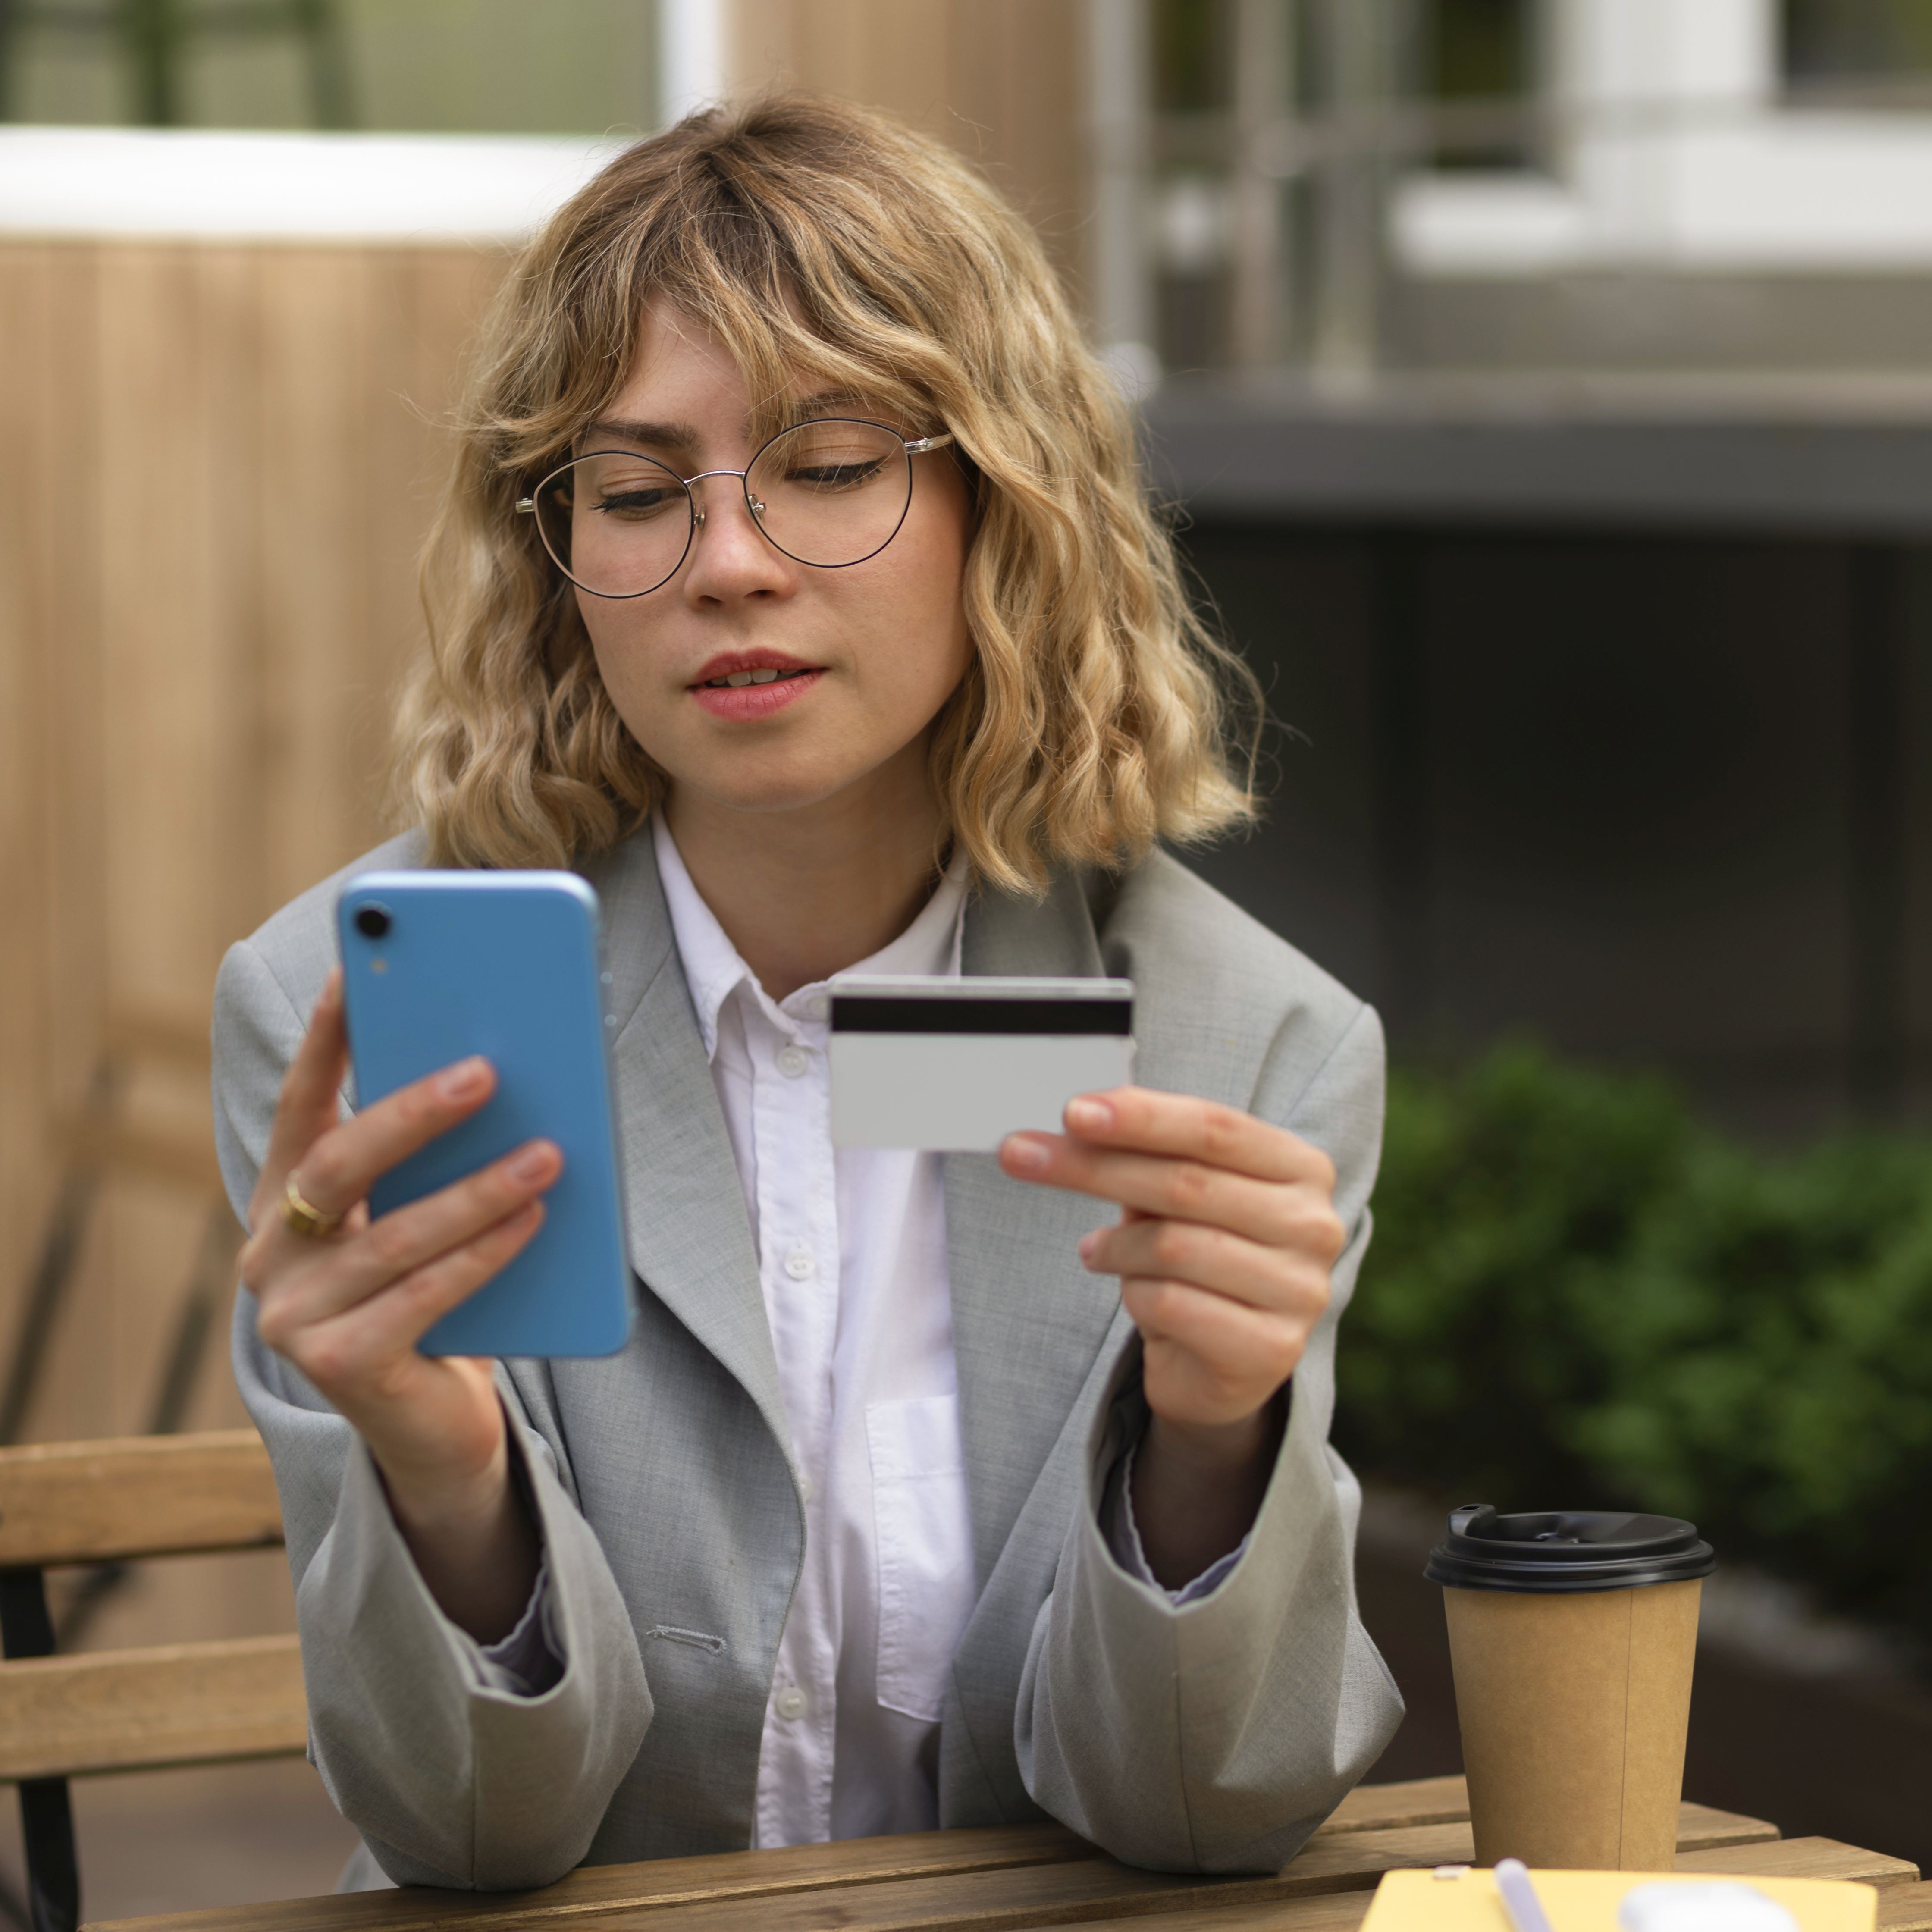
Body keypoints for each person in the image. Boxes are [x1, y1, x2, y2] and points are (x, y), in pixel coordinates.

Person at [216, 94, 1402, 1893]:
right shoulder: (350, 1011)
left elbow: (1198, 1809)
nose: (730, 562)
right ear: (560, 564)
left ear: (1004, 503)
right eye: (632, 494)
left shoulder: (1247, 1044)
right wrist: (443, 1474)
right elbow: (467, 1835)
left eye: (831, 466)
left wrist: (1215, 1443)